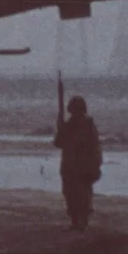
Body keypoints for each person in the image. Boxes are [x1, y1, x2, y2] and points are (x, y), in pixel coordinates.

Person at [53, 95, 102, 232]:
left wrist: (95, 165)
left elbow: (95, 146)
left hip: (83, 166)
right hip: (70, 166)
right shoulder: (69, 126)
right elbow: (58, 143)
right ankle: (76, 222)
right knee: (70, 194)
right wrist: (60, 127)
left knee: (82, 195)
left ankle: (82, 222)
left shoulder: (87, 125)